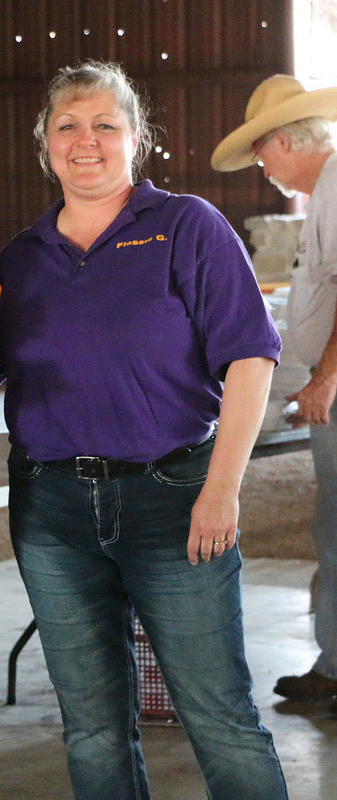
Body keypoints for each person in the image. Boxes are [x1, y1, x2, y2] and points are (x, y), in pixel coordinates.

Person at [0, 60, 288, 800]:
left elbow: (250, 360)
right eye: (67, 126)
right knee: (91, 726)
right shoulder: (20, 259)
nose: (84, 141)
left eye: (104, 125)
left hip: (176, 498)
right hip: (53, 509)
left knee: (217, 714)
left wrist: (222, 490)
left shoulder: (188, 225)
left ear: (137, 138)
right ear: (44, 145)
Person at [212, 75, 337, 708]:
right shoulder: (323, 196)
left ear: (286, 141)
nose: (261, 165)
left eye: (262, 151)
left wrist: (326, 377)